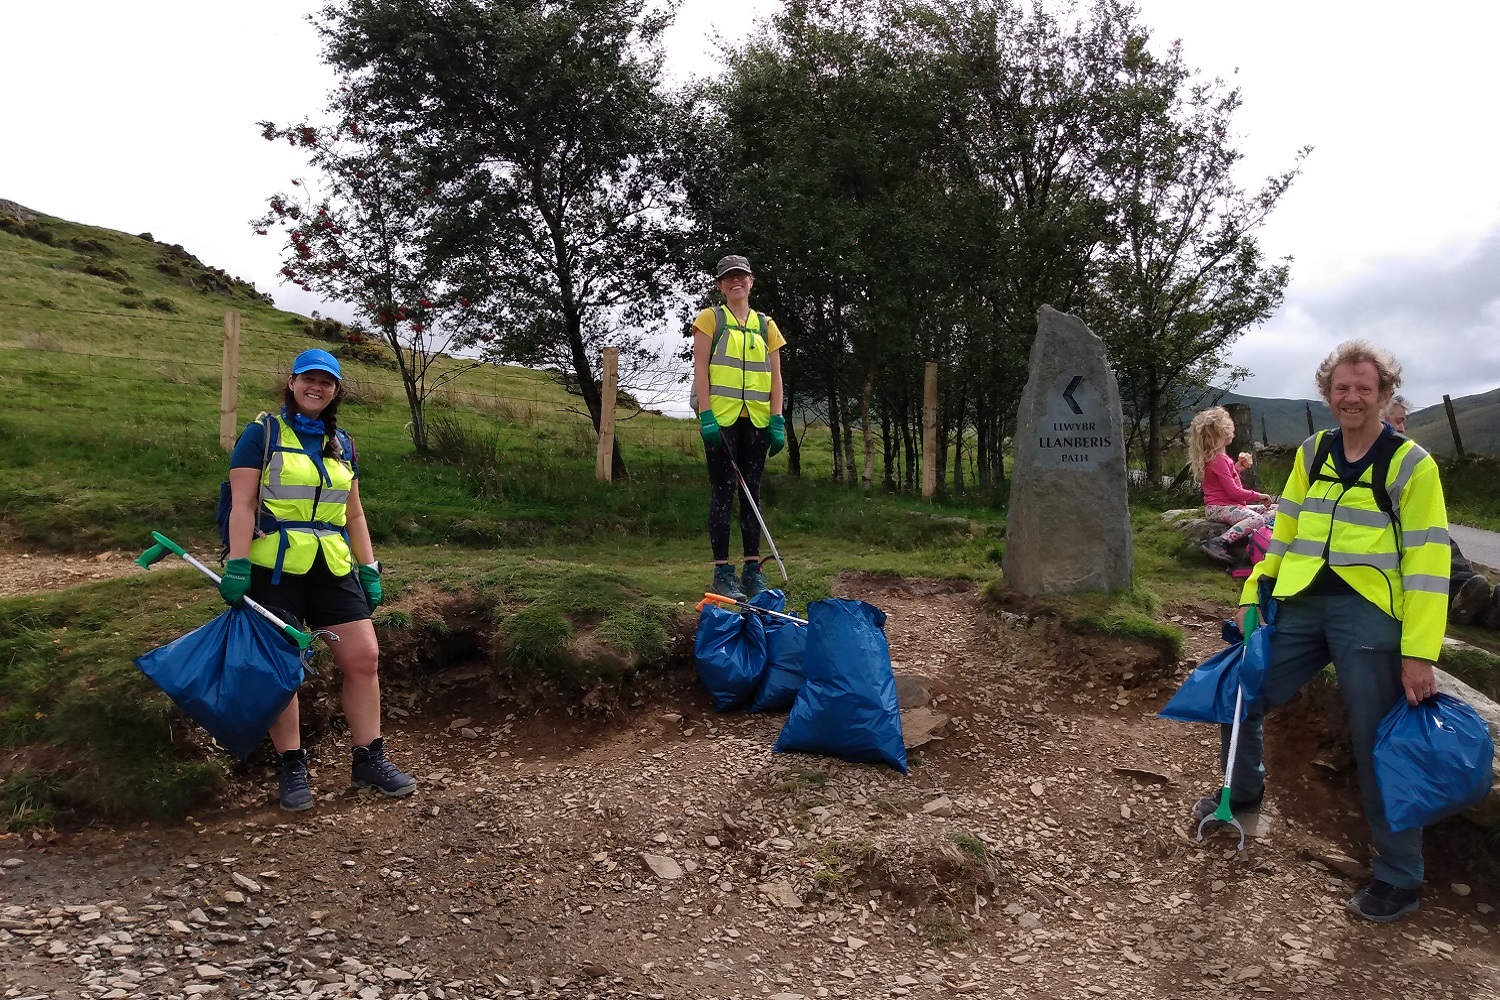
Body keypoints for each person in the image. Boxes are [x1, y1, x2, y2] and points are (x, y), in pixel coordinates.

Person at [1198, 340, 1450, 923]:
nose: (1353, 397)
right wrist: (1251, 598)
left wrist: (1418, 653)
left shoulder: (1413, 465)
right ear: (1328, 394)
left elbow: (1430, 563)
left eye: (1365, 388)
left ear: (1385, 395)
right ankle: (1243, 795)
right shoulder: (1314, 452)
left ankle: (1399, 875)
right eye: (1342, 388)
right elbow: (1281, 532)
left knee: (1375, 740)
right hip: (1301, 602)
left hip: (1370, 614)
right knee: (1242, 690)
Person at [222, 348, 416, 811]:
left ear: (336, 390)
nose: (318, 387)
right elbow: (242, 504)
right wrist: (238, 563)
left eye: (326, 381)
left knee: (364, 658)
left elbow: (354, 511)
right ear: (291, 382)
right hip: (274, 567)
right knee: (281, 669)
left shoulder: (342, 442)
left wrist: (368, 568)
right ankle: (291, 765)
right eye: (309, 379)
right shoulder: (262, 433)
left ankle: (370, 760)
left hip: (332, 566)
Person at [691, 255, 786, 600]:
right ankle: (722, 572)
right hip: (722, 420)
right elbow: (701, 369)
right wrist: (706, 415)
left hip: (758, 421)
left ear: (751, 281)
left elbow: (776, 376)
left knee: (752, 495)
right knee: (723, 493)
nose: (736, 282)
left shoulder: (767, 326)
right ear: (721, 285)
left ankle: (751, 573)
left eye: (741, 276)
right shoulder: (709, 319)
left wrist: (777, 419)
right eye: (728, 278)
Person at [1385, 396, 1500, 628]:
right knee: (1434, 552)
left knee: (1445, 547)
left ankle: (1482, 608)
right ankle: (1472, 601)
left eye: (1404, 421)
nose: (1402, 428)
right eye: (1397, 421)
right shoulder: (1375, 456)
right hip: (1388, 538)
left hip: (1412, 529)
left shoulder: (1404, 458)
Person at [1187, 406, 1274, 565]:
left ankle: (1255, 534)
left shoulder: (1219, 459)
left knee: (1275, 509)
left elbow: (1223, 481)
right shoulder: (1219, 460)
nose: (1231, 431)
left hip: (1228, 506)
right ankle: (1220, 542)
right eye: (1228, 428)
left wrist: (1236, 469)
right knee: (1257, 518)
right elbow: (1233, 492)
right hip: (1220, 508)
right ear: (1220, 434)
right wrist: (1258, 496)